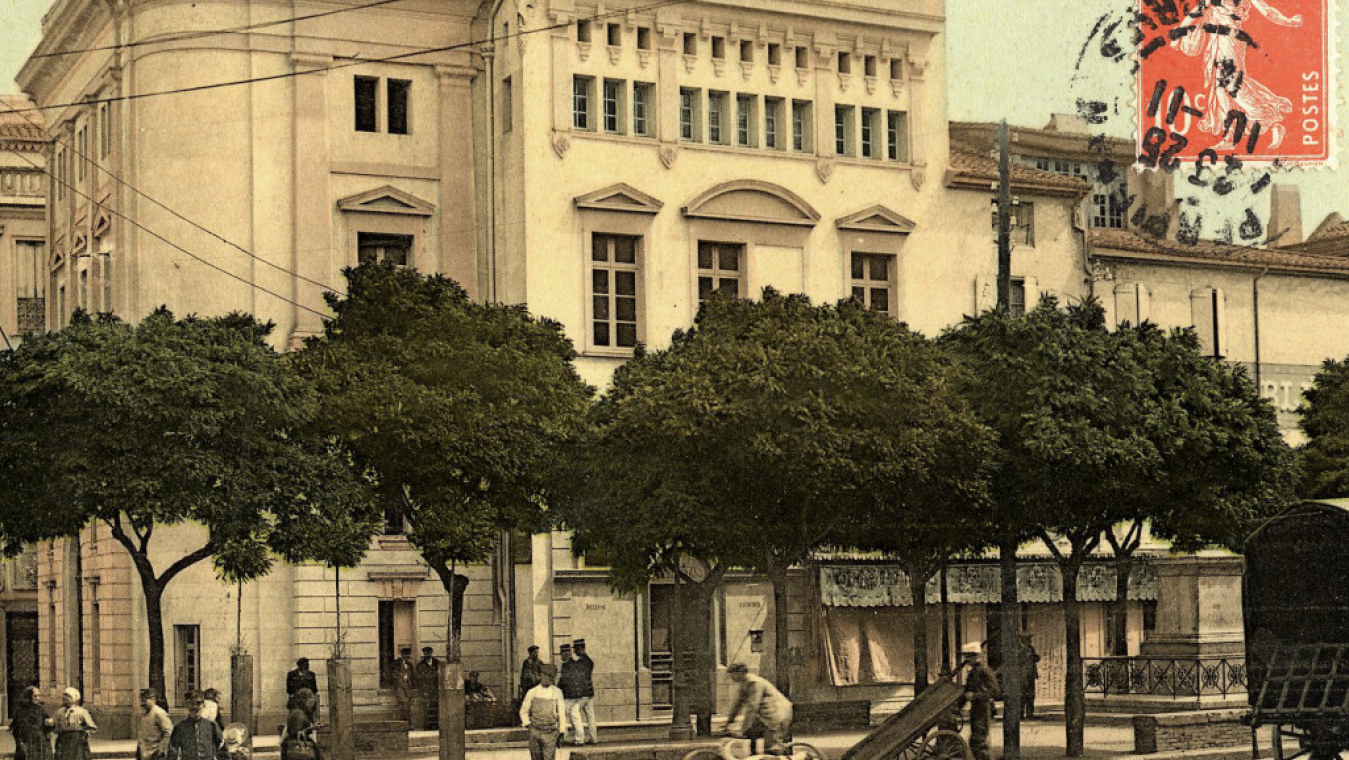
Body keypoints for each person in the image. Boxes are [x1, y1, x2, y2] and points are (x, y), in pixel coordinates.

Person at [724, 663, 793, 755]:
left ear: (740, 673)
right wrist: (729, 722)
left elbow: (753, 706)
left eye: (732, 674)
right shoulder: (744, 684)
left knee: (771, 747)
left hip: (776, 714)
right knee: (750, 736)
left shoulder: (755, 683)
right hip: (766, 715)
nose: (731, 677)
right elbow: (737, 704)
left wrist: (744, 729)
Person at [519, 664, 568, 760]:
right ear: (541, 675)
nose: (549, 678)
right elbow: (523, 711)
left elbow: (562, 713)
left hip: (551, 732)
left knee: (549, 757)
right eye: (547, 675)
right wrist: (529, 725)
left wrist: (561, 731)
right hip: (535, 731)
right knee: (536, 757)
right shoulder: (532, 692)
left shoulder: (557, 692)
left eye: (552, 676)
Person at [961, 643, 999, 760]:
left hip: (983, 708)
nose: (966, 660)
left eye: (968, 657)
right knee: (976, 741)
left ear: (974, 656)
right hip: (976, 709)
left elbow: (994, 690)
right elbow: (966, 691)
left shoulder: (984, 670)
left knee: (979, 741)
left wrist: (975, 696)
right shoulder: (974, 672)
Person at [558, 640, 597, 745]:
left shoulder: (579, 662)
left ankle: (571, 738)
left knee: (570, 713)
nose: (574, 651)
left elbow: (566, 681)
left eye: (576, 649)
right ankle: (592, 738)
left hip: (580, 694)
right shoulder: (586, 661)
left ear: (580, 648)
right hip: (586, 693)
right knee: (589, 716)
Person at [167, 691, 222, 760]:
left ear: (203, 705)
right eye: (191, 703)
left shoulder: (212, 725)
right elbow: (173, 752)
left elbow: (221, 749)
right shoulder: (179, 728)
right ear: (186, 705)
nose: (195, 707)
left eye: (198, 703)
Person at [10, 685, 53, 760]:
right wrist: (19, 742)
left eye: (38, 696)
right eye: (35, 696)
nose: (37, 698)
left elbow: (48, 725)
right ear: (28, 696)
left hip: (39, 742)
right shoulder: (21, 710)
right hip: (26, 741)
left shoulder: (41, 709)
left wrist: (50, 724)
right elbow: (16, 729)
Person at [54, 687, 97, 760]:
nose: (65, 700)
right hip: (64, 739)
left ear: (74, 699)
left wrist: (85, 734)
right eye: (64, 699)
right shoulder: (59, 712)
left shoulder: (82, 712)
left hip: (77, 740)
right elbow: (55, 725)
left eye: (68, 698)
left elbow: (92, 727)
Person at [282, 688, 322, 760]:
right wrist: (312, 728)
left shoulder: (298, 711)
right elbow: (296, 733)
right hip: (297, 747)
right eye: (310, 703)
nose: (312, 706)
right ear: (304, 701)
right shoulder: (298, 713)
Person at [138, 689, 173, 760]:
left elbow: (169, 732)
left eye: (145, 700)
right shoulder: (144, 713)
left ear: (153, 699)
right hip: (145, 753)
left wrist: (161, 749)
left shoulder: (159, 713)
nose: (142, 703)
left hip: (155, 753)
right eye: (141, 700)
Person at [415, 647, 441, 730]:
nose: (427, 654)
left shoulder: (437, 663)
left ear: (431, 653)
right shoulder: (420, 665)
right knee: (427, 707)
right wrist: (423, 690)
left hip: (436, 689)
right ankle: (428, 726)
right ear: (423, 653)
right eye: (425, 652)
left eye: (429, 652)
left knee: (436, 706)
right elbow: (419, 679)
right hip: (426, 689)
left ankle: (436, 725)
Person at [1020, 635, 1041, 720]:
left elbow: (1036, 658)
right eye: (1028, 639)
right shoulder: (1019, 649)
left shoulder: (1030, 648)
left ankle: (1030, 714)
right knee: (1022, 696)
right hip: (1022, 676)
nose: (1030, 641)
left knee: (1031, 695)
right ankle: (1020, 714)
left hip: (1030, 675)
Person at [392, 647, 416, 723]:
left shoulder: (410, 665)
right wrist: (402, 677)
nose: (407, 656)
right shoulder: (396, 663)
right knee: (404, 702)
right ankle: (404, 723)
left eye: (408, 654)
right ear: (402, 654)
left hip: (408, 687)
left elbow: (413, 676)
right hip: (400, 686)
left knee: (408, 705)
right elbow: (394, 674)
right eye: (405, 654)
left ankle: (408, 723)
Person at [517, 645, 544, 710]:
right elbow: (523, 675)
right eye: (535, 652)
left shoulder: (540, 662)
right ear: (530, 653)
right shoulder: (526, 663)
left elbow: (543, 674)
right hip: (528, 688)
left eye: (537, 652)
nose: (537, 654)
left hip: (537, 687)